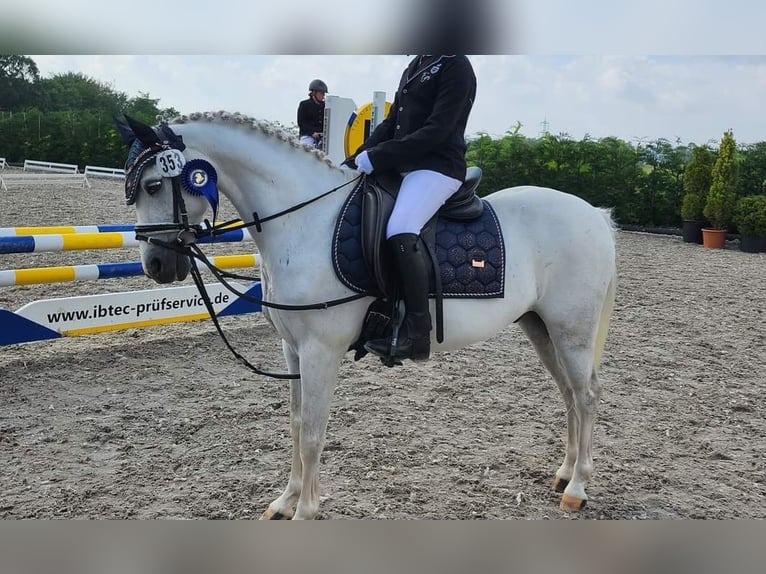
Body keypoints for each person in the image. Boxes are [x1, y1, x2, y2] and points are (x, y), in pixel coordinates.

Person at [346, 55, 477, 362]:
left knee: (400, 226)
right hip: (404, 166)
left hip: (438, 167)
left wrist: (379, 157)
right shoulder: (417, 64)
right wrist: (356, 157)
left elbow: (438, 130)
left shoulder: (456, 64)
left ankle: (416, 333)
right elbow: (391, 125)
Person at [297, 79, 328, 148]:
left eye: (324, 94)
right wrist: (312, 132)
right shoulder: (304, 104)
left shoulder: (325, 106)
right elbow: (301, 122)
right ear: (314, 93)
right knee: (306, 148)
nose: (323, 96)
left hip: (322, 136)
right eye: (321, 93)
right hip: (307, 135)